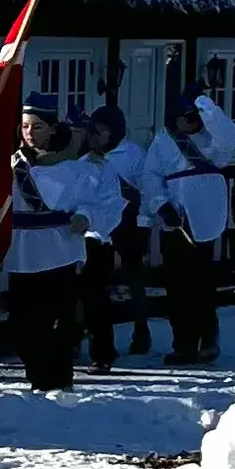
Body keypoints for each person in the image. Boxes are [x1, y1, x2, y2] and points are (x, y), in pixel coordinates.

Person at [7, 92, 123, 392]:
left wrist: (86, 216)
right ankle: (37, 373)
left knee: (58, 319)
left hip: (59, 251)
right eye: (25, 126)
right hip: (21, 252)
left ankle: (57, 381)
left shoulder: (74, 167)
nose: (30, 133)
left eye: (37, 126)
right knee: (23, 322)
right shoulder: (12, 164)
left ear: (53, 128)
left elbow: (104, 202)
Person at [142, 81, 235, 366]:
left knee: (203, 283)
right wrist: (160, 205)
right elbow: (150, 176)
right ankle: (184, 345)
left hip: (207, 218)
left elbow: (233, 137)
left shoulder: (214, 139)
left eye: (195, 117)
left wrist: (204, 103)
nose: (192, 123)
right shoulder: (164, 141)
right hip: (176, 221)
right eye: (186, 118)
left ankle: (209, 339)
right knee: (178, 285)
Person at [80, 105, 150, 372]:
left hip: (128, 222)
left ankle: (141, 330)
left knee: (133, 279)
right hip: (98, 227)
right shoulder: (86, 157)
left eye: (103, 130)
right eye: (94, 130)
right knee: (95, 286)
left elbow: (145, 188)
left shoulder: (133, 154)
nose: (98, 135)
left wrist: (143, 223)